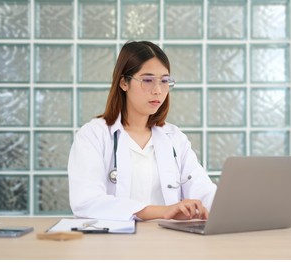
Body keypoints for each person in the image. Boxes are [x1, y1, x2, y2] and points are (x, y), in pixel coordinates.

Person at [68, 41, 216, 221]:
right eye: (147, 80)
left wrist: (228, 207)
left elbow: (204, 192)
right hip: (113, 245)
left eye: (164, 81)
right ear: (124, 82)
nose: (158, 90)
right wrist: (163, 211)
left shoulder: (174, 138)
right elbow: (86, 202)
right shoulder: (93, 135)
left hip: (168, 244)